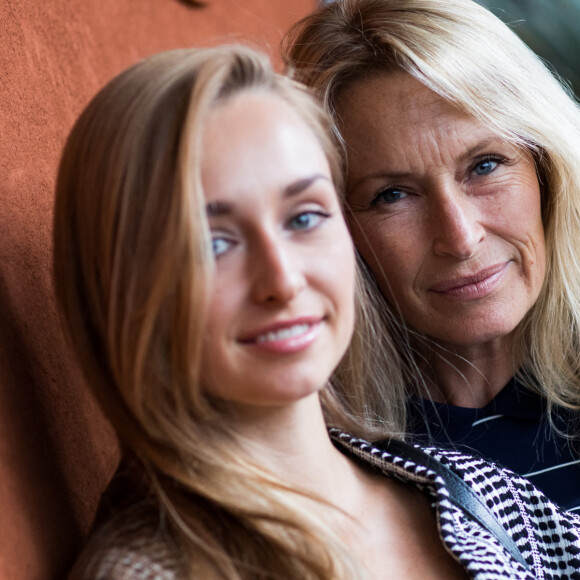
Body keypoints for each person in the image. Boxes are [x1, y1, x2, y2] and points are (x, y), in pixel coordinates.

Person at [54, 44, 580, 579]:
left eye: (304, 218)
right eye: (212, 244)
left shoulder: (475, 490)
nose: (282, 280)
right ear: (123, 289)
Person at [283, 0, 580, 512]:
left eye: (485, 166)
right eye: (392, 195)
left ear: (545, 166)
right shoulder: (308, 449)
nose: (460, 238)